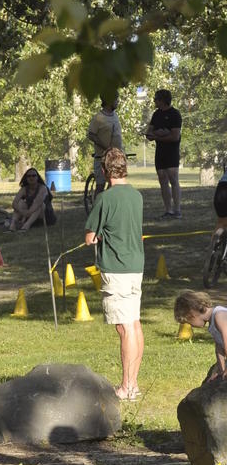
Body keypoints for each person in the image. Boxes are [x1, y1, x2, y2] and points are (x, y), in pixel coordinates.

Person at [84, 147, 144, 401]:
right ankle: (134, 384)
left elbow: (90, 237)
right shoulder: (136, 196)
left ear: (104, 170)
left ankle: (127, 387)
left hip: (117, 268)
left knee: (124, 328)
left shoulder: (105, 199)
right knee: (134, 324)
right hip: (136, 266)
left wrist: (97, 236)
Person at [145, 89, 183, 219]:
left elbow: (175, 137)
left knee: (173, 178)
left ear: (163, 100)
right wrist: (161, 133)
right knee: (162, 179)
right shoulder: (156, 114)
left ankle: (177, 210)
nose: (154, 101)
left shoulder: (175, 114)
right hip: (160, 152)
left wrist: (158, 135)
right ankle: (168, 210)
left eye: (156, 99)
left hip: (172, 152)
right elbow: (149, 133)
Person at [174, 291, 227, 382]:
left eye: (189, 322)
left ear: (192, 314)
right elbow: (219, 347)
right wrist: (221, 370)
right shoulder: (212, 324)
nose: (191, 326)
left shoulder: (219, 315)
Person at [88, 98, 122, 192]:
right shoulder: (98, 118)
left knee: (114, 184)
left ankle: (108, 198)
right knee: (100, 186)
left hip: (115, 157)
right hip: (102, 157)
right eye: (115, 99)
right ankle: (98, 201)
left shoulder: (115, 115)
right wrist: (105, 147)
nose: (118, 101)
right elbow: (91, 135)